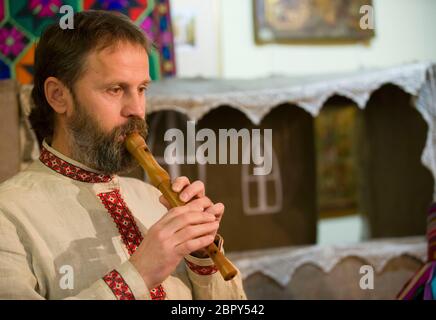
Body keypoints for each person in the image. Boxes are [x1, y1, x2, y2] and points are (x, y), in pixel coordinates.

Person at [0, 10, 246, 300]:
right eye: (115, 89)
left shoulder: (153, 199)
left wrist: (201, 258)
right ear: (58, 96)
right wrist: (139, 274)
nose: (136, 110)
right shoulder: (9, 214)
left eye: (141, 89)